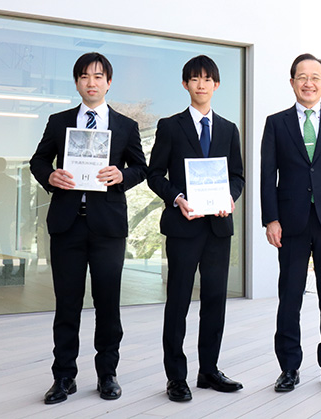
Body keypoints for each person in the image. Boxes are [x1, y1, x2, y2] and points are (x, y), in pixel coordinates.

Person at [29, 52, 147, 404]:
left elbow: (141, 168)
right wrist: (49, 176)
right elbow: (38, 160)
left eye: (98, 76)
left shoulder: (126, 126)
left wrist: (122, 175)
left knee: (108, 303)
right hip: (67, 225)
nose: (91, 82)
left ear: (108, 82)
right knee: (67, 303)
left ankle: (107, 374)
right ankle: (63, 377)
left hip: (108, 227)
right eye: (84, 76)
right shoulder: (59, 121)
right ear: (77, 82)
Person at [260, 53, 321, 392]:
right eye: (301, 77)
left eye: (315, 77)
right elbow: (266, 175)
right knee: (289, 296)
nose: (308, 82)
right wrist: (271, 219)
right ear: (292, 83)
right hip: (290, 222)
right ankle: (288, 368)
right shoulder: (276, 122)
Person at [147, 55, 245, 402]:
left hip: (218, 227)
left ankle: (209, 370)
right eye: (194, 78)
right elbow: (154, 174)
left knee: (216, 300)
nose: (201, 84)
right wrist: (177, 198)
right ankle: (176, 377)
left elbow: (237, 176)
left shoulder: (229, 129)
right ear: (186, 84)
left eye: (207, 79)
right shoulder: (170, 126)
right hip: (183, 226)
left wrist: (231, 197)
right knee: (177, 301)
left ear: (216, 85)